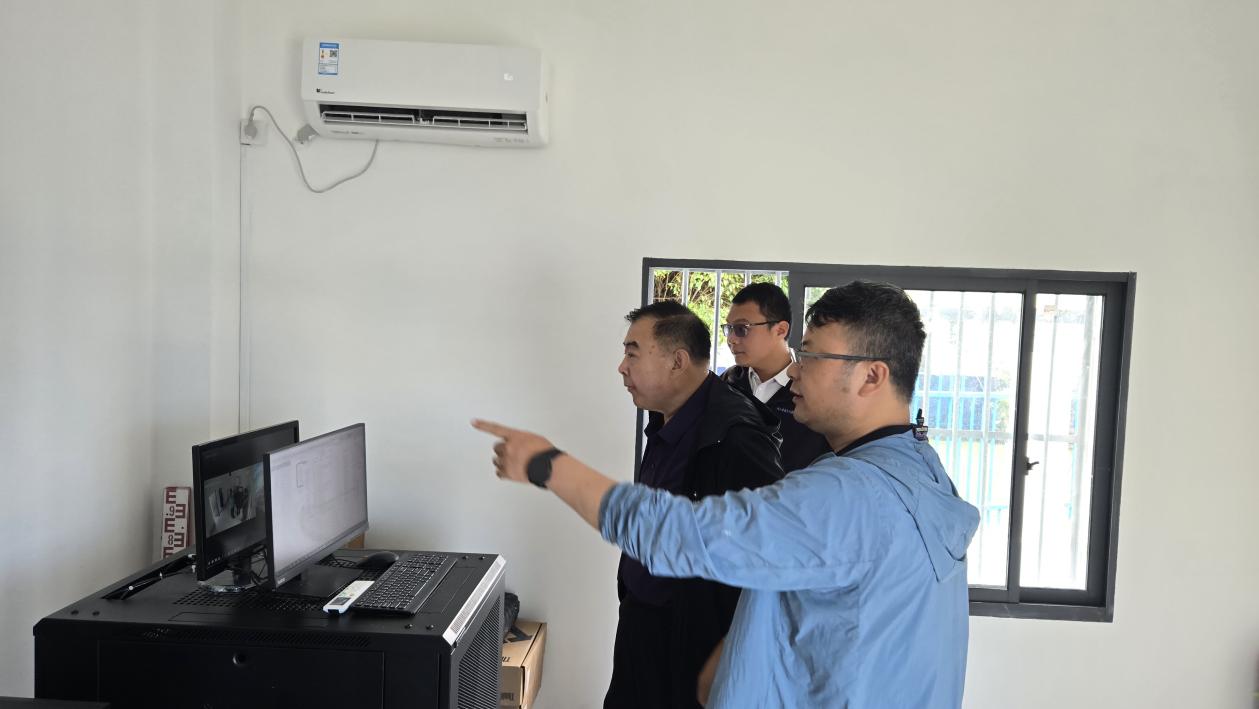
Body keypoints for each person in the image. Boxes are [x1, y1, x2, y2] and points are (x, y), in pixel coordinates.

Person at [474, 281, 980, 708]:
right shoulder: (919, 471)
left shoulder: (848, 494)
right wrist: (738, 647)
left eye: (811, 355)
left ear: (872, 375)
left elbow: (683, 535)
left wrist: (548, 465)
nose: (794, 369)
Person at [604, 300, 784, 708]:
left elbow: (768, 554)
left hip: (690, 644)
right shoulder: (663, 419)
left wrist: (730, 651)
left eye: (633, 353)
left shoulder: (735, 436)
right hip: (641, 625)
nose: (622, 367)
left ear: (677, 361)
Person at [720, 282, 832, 473]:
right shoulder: (727, 382)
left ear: (780, 330)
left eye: (741, 328)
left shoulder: (812, 392)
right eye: (729, 328)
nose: (731, 339)